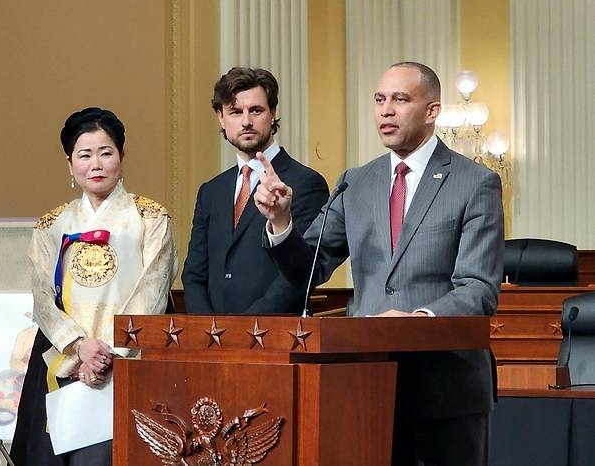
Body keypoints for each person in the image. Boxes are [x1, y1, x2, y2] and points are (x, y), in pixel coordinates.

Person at [254, 62, 504, 466]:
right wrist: (282, 221)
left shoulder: (475, 182)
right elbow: (309, 269)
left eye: (400, 100)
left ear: (432, 110)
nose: (386, 110)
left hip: (446, 388)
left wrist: (414, 320)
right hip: (363, 385)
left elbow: (478, 289)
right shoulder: (356, 182)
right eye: (379, 100)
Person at [10, 107, 178, 465]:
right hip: (64, 357)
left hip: (131, 362)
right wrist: (79, 347)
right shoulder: (51, 224)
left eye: (106, 152)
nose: (96, 164)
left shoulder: (150, 218)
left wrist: (110, 355)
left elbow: (154, 290)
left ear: (121, 156)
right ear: (70, 164)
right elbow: (42, 297)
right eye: (84, 155)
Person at [182, 67, 328, 314]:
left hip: (275, 337)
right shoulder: (211, 191)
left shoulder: (305, 183)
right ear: (221, 118)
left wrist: (244, 331)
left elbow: (300, 276)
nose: (246, 121)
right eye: (235, 112)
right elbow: (194, 275)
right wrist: (209, 333)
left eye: (256, 110)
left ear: (273, 113)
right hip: (211, 342)